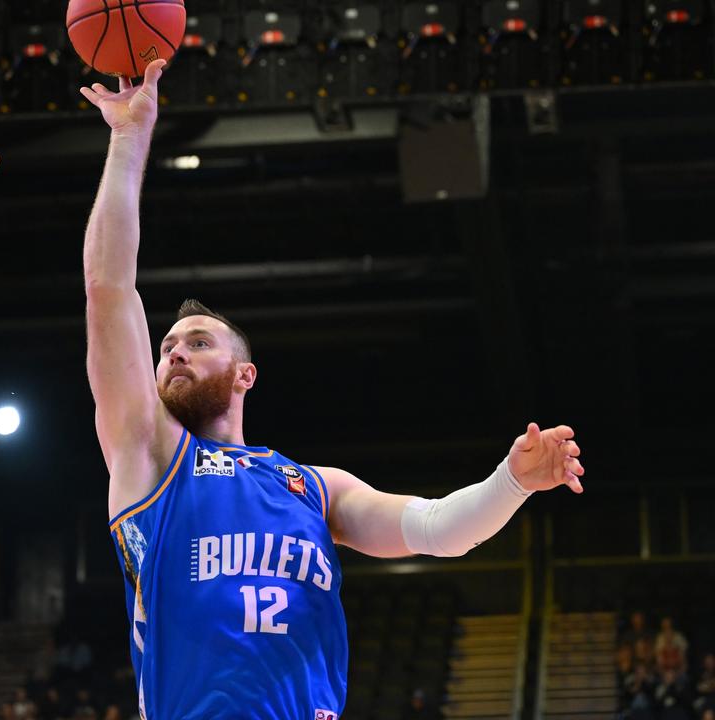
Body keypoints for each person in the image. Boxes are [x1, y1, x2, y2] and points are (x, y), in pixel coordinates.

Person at [79, 59, 587, 718]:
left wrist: (511, 481)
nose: (175, 352)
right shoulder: (148, 457)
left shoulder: (316, 488)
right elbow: (109, 290)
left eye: (199, 342)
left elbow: (439, 529)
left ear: (244, 375)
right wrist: (129, 137)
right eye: (167, 346)